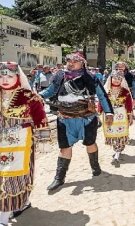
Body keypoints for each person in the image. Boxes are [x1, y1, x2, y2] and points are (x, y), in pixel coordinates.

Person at [39, 52, 114, 191]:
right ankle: (59, 178)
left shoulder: (91, 78)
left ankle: (95, 167)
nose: (71, 63)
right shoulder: (60, 76)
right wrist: (38, 96)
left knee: (90, 143)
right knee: (64, 147)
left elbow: (102, 95)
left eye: (75, 60)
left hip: (86, 118)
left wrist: (109, 112)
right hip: (65, 118)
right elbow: (50, 91)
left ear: (82, 63)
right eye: (68, 60)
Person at [0, 62, 51, 226]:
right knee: (6, 178)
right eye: (0, 76)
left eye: (10, 76)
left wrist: (44, 140)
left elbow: (40, 118)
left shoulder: (29, 96)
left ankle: (2, 220)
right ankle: (22, 202)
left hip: (21, 146)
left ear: (18, 77)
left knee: (13, 179)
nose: (5, 79)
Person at [97, 71, 134, 166]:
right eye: (115, 78)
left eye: (119, 79)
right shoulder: (106, 90)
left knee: (121, 135)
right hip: (109, 115)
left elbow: (129, 104)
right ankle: (116, 149)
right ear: (111, 79)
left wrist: (130, 116)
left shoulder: (125, 91)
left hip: (121, 115)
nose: (117, 81)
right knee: (112, 134)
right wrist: (98, 114)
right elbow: (101, 102)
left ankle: (117, 153)